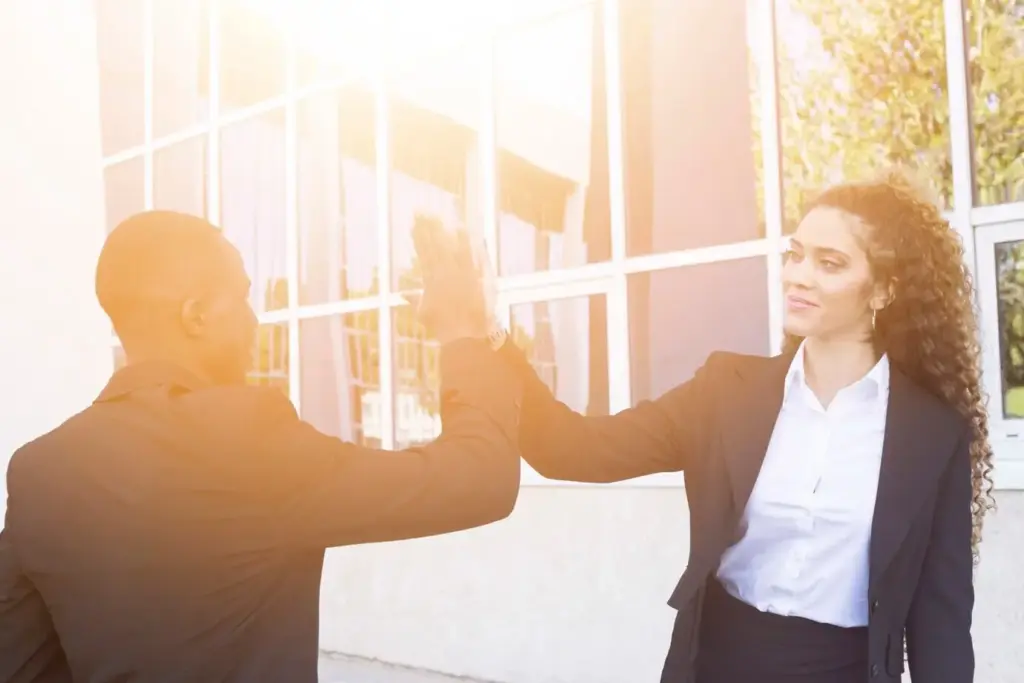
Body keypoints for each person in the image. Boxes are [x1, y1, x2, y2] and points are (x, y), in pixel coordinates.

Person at [491, 173, 992, 682]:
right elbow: (573, 449)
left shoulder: (931, 435)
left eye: (829, 263)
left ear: (883, 290)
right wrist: (490, 341)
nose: (798, 276)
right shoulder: (726, 393)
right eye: (796, 255)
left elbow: (941, 624)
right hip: (718, 666)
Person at [0, 210, 521, 683]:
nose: (254, 321)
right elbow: (479, 480)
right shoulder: (245, 437)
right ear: (196, 316)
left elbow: (19, 663)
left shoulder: (40, 471)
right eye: (243, 298)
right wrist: (463, 332)